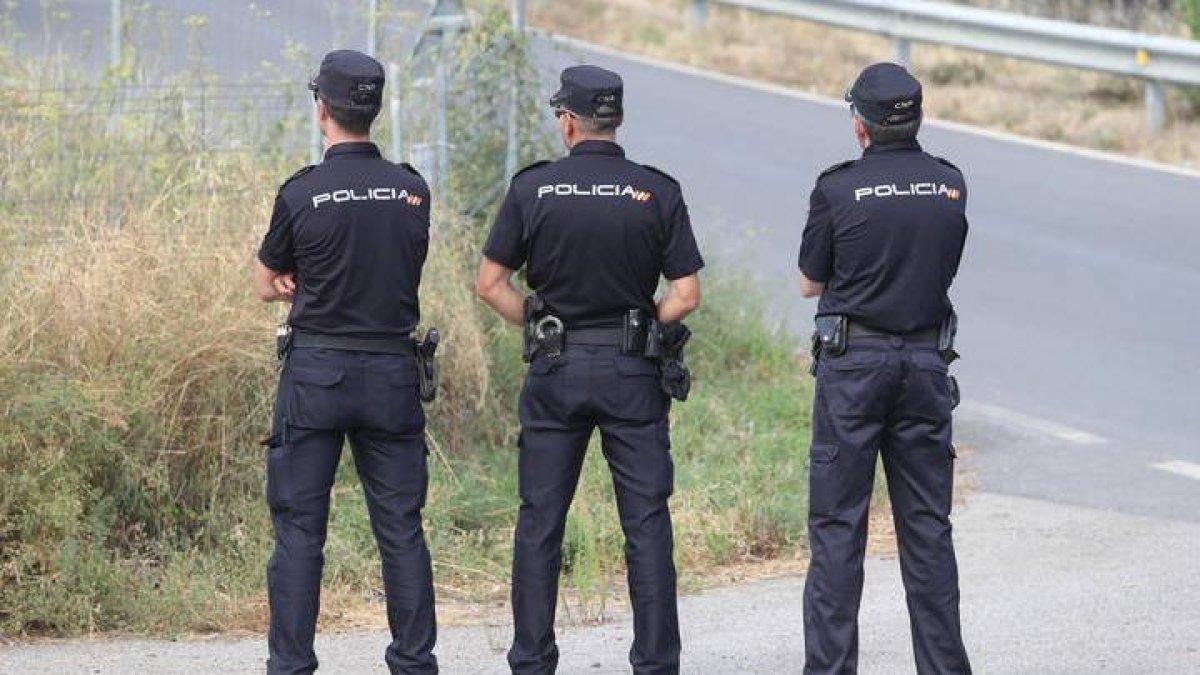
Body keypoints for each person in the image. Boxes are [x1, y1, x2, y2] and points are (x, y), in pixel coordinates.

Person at [475, 64, 704, 675]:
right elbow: (686, 295)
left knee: (540, 522)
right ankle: (656, 664)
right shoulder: (656, 189)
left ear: (568, 121)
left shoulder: (533, 189)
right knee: (647, 523)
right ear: (617, 119)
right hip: (633, 370)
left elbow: (488, 283)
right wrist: (643, 322)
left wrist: (538, 319)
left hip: (556, 368)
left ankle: (531, 661)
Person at [253, 49, 438, 675]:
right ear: (374, 109)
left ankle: (291, 667)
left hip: (316, 376)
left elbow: (265, 280)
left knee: (301, 533)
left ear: (323, 109)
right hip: (391, 376)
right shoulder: (413, 191)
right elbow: (400, 266)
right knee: (401, 530)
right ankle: (414, 664)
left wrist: (296, 284)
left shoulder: (302, 192)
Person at [797, 62, 973, 675]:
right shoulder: (951, 184)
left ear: (859, 126)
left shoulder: (836, 188)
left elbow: (808, 281)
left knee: (838, 530)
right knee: (927, 530)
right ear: (918, 118)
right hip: (925, 364)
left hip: (854, 368)